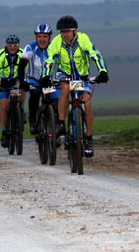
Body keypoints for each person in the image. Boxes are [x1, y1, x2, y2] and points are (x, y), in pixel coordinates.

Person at [40, 15, 108, 157]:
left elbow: (94, 54)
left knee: (87, 105)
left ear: (75, 30)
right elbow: (50, 60)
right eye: (62, 32)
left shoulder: (83, 39)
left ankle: (88, 139)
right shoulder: (56, 42)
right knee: (64, 88)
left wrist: (102, 71)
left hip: (82, 76)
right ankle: (60, 123)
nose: (64, 34)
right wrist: (46, 76)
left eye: (67, 31)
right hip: (63, 74)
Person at [18, 23, 59, 135]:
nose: (42, 39)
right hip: (34, 79)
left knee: (56, 102)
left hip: (50, 80)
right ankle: (32, 120)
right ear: (36, 37)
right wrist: (22, 82)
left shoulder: (55, 47)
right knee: (35, 94)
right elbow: (21, 66)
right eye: (39, 36)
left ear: (49, 37)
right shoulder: (30, 47)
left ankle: (57, 127)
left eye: (45, 37)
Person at [0, 34, 25, 148]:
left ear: (18, 45)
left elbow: (26, 69)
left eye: (15, 45)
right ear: (6, 45)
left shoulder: (22, 53)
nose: (12, 47)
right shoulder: (0, 54)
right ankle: (4, 132)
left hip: (16, 80)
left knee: (22, 88)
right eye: (10, 45)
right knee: (4, 107)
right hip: (3, 82)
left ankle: (21, 110)